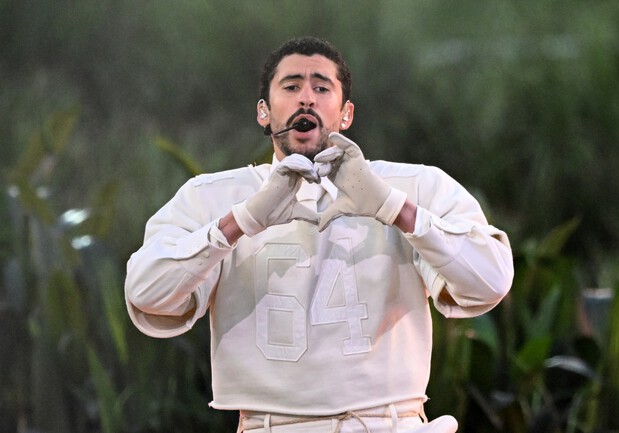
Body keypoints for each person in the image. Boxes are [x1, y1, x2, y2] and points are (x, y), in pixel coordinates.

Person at [125, 36, 514, 433]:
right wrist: (241, 220)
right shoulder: (211, 196)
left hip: (390, 423)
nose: (306, 98)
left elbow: (491, 281)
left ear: (346, 114)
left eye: (322, 88)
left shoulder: (416, 186)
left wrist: (394, 208)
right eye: (291, 86)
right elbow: (147, 294)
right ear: (263, 112)